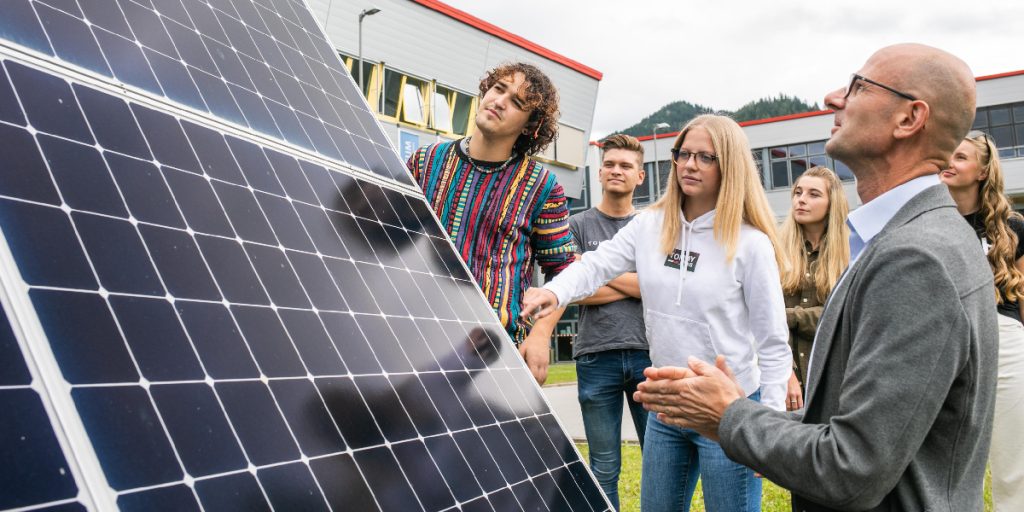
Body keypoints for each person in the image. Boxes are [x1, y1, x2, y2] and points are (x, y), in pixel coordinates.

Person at [633, 43, 997, 512]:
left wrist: (731, 415)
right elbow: (867, 423)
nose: (833, 98)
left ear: (909, 119)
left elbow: (851, 469)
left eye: (858, 87)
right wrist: (756, 426)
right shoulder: (917, 237)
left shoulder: (916, 257)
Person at [522, 114, 791, 512]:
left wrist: (767, 430)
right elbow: (595, 265)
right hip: (667, 403)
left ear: (730, 164)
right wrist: (553, 291)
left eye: (705, 157)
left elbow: (772, 344)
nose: (689, 165)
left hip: (728, 408)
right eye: (683, 154)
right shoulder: (649, 226)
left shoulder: (751, 244)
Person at [406, 62, 575, 385]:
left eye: (517, 102)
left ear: (529, 126)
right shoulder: (424, 163)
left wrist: (540, 336)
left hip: (493, 350)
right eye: (499, 89)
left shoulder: (542, 186)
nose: (500, 101)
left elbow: (564, 271)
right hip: (415, 331)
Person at [939, 130, 1024, 511]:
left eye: (959, 157)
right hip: (943, 341)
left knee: (1013, 462)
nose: (948, 163)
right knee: (944, 458)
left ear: (983, 171)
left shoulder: (1013, 227)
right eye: (946, 156)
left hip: (1004, 339)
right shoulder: (928, 222)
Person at [568, 134, 650, 510]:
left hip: (649, 356)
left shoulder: (653, 227)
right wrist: (637, 281)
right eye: (611, 164)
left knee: (660, 459)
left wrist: (595, 266)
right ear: (599, 172)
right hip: (595, 357)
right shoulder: (575, 226)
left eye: (626, 166)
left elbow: (660, 286)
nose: (617, 170)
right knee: (603, 467)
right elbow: (574, 291)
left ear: (640, 176)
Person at [777, 166, 850, 410]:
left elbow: (840, 317)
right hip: (783, 378)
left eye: (813, 194)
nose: (802, 200)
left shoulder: (850, 253)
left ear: (833, 203)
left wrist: (788, 316)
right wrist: (786, 375)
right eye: (798, 193)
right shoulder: (775, 248)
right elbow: (762, 318)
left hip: (831, 380)